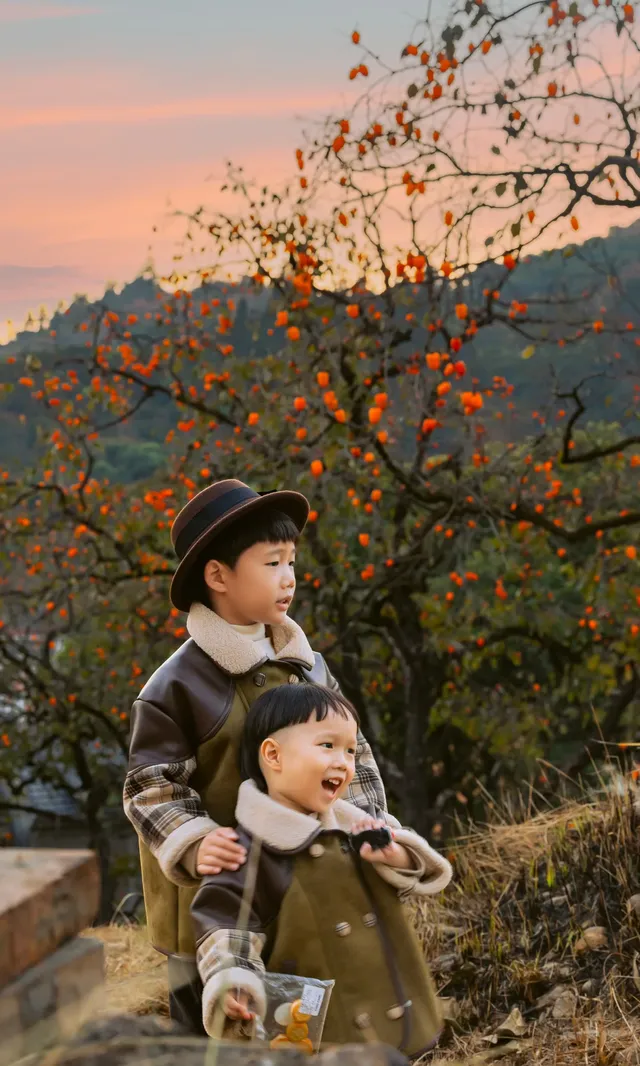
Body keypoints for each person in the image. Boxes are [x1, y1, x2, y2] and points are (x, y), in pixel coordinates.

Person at [123, 479, 387, 1034]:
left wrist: (368, 823)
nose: (288, 577)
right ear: (218, 576)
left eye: (292, 561)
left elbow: (352, 752)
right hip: (210, 899)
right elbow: (150, 785)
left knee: (298, 1022)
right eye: (272, 562)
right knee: (217, 1027)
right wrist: (193, 841)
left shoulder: (307, 665)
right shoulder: (178, 684)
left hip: (298, 885)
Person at [191, 683, 452, 1056]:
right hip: (322, 1028)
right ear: (273, 756)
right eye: (327, 746)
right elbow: (227, 929)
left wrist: (395, 856)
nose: (343, 762)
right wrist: (235, 984)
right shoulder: (249, 852)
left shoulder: (354, 828)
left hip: (396, 1008)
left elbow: (417, 877)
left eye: (349, 750)